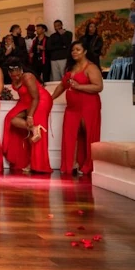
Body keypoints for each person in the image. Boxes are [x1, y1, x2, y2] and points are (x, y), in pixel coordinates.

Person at [52, 41, 103, 175]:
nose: (74, 52)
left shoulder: (91, 67)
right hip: (72, 108)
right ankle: (70, 165)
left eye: (78, 49)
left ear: (85, 51)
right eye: (72, 50)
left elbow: (98, 86)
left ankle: (87, 166)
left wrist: (78, 87)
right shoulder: (71, 68)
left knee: (88, 136)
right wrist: (50, 99)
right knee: (69, 136)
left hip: (89, 106)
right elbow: (62, 86)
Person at [2, 58, 52, 173]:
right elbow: (24, 94)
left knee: (34, 121)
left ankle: (37, 164)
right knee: (11, 119)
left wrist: (29, 116)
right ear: (9, 73)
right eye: (12, 75)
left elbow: (36, 97)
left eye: (17, 73)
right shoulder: (14, 78)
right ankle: (34, 129)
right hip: (26, 101)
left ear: (21, 70)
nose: (15, 76)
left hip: (40, 101)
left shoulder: (28, 77)